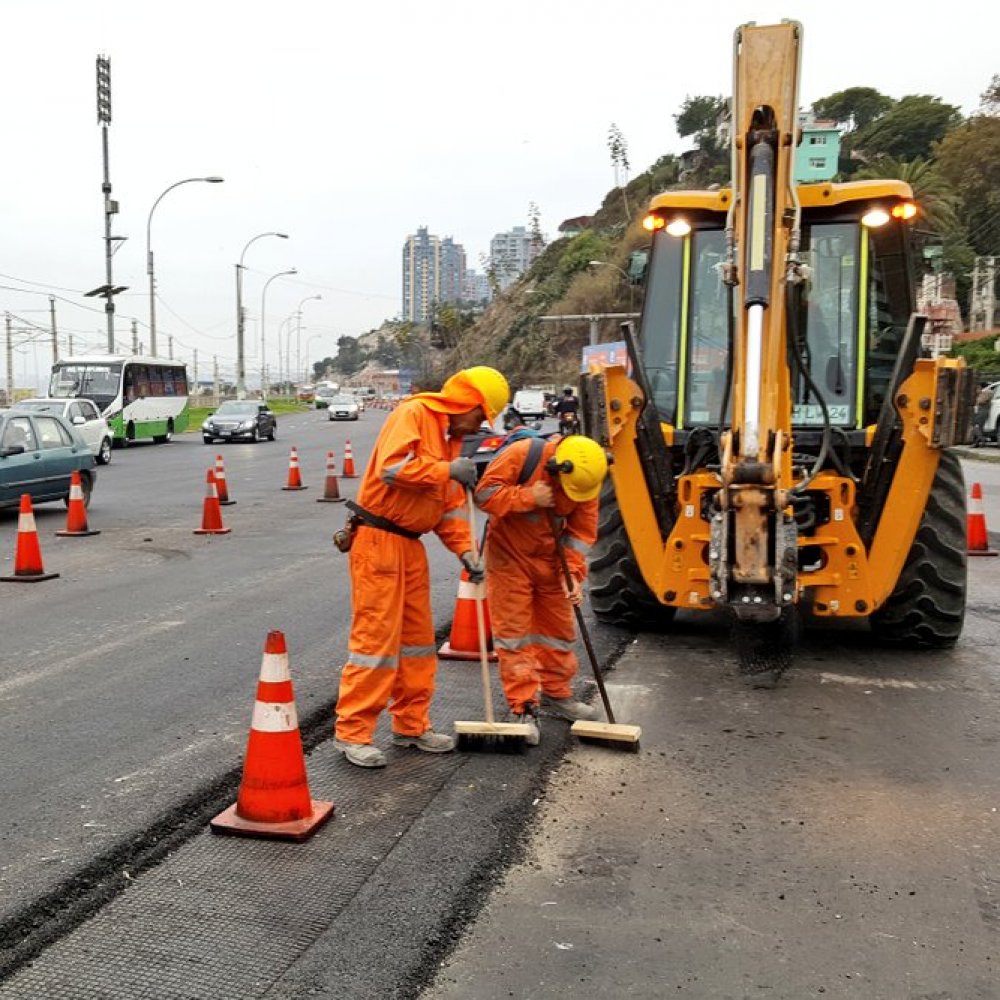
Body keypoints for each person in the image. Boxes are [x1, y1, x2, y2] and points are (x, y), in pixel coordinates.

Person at [333, 366, 510, 768]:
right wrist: (447, 470)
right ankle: (352, 733)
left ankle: (411, 726)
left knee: (417, 645)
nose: (480, 424)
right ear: (465, 402)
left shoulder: (450, 439)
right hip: (378, 540)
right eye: (481, 414)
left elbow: (446, 507)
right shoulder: (414, 415)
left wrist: (466, 551)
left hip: (410, 547)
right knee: (375, 644)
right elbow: (392, 471)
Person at [474, 434, 608, 745]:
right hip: (509, 556)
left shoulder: (587, 480)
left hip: (550, 559)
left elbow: (580, 534)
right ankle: (524, 705)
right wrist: (528, 497)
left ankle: (556, 694)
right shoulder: (522, 455)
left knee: (557, 632)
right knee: (515, 633)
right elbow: (484, 496)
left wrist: (571, 572)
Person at [973, 382, 994, 447]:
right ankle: (977, 443)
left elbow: (981, 401)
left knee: (976, 426)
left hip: (982, 410)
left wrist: (979, 394)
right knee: (979, 427)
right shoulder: (988, 392)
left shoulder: (986, 392)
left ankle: (982, 439)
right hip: (982, 410)